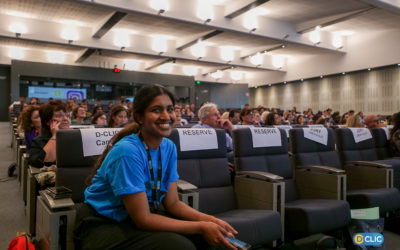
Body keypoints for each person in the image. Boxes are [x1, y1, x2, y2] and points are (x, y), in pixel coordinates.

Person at [75, 85, 237, 250]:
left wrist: (209, 220)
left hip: (137, 217)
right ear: (139, 117)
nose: (166, 116)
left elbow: (173, 203)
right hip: (102, 223)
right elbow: (143, 219)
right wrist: (201, 226)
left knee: (209, 238)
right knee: (181, 246)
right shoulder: (128, 152)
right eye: (157, 110)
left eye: (170, 109)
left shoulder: (169, 147)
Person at [29, 100, 70, 168]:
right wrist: (55, 135)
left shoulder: (75, 136)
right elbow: (38, 163)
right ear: (48, 121)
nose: (65, 118)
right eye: (59, 115)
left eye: (67, 115)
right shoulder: (39, 141)